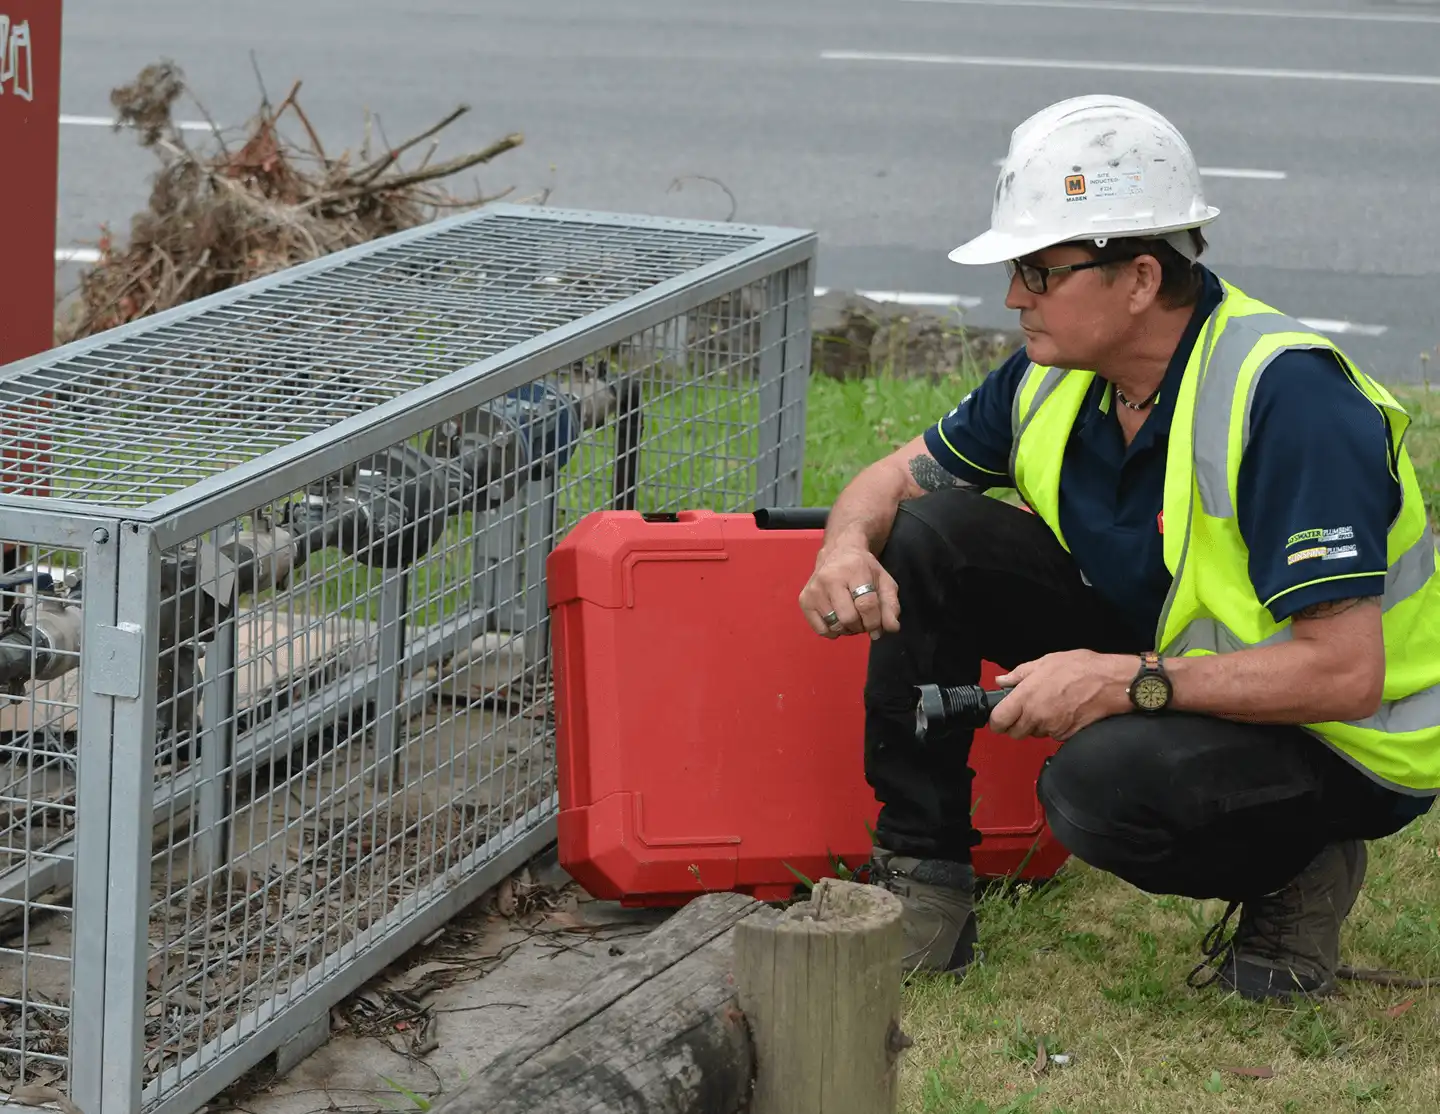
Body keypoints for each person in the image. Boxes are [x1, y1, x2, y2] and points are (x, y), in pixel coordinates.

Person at [798, 94, 1440, 1000]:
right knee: (931, 532)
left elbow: (1345, 675)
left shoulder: (1290, 402)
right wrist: (843, 551)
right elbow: (892, 482)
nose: (1014, 296)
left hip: (1340, 739)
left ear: (1139, 278)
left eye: (1039, 271)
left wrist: (1119, 682)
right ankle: (923, 878)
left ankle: (1300, 865)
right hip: (1179, 665)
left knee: (1100, 788)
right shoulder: (1054, 376)